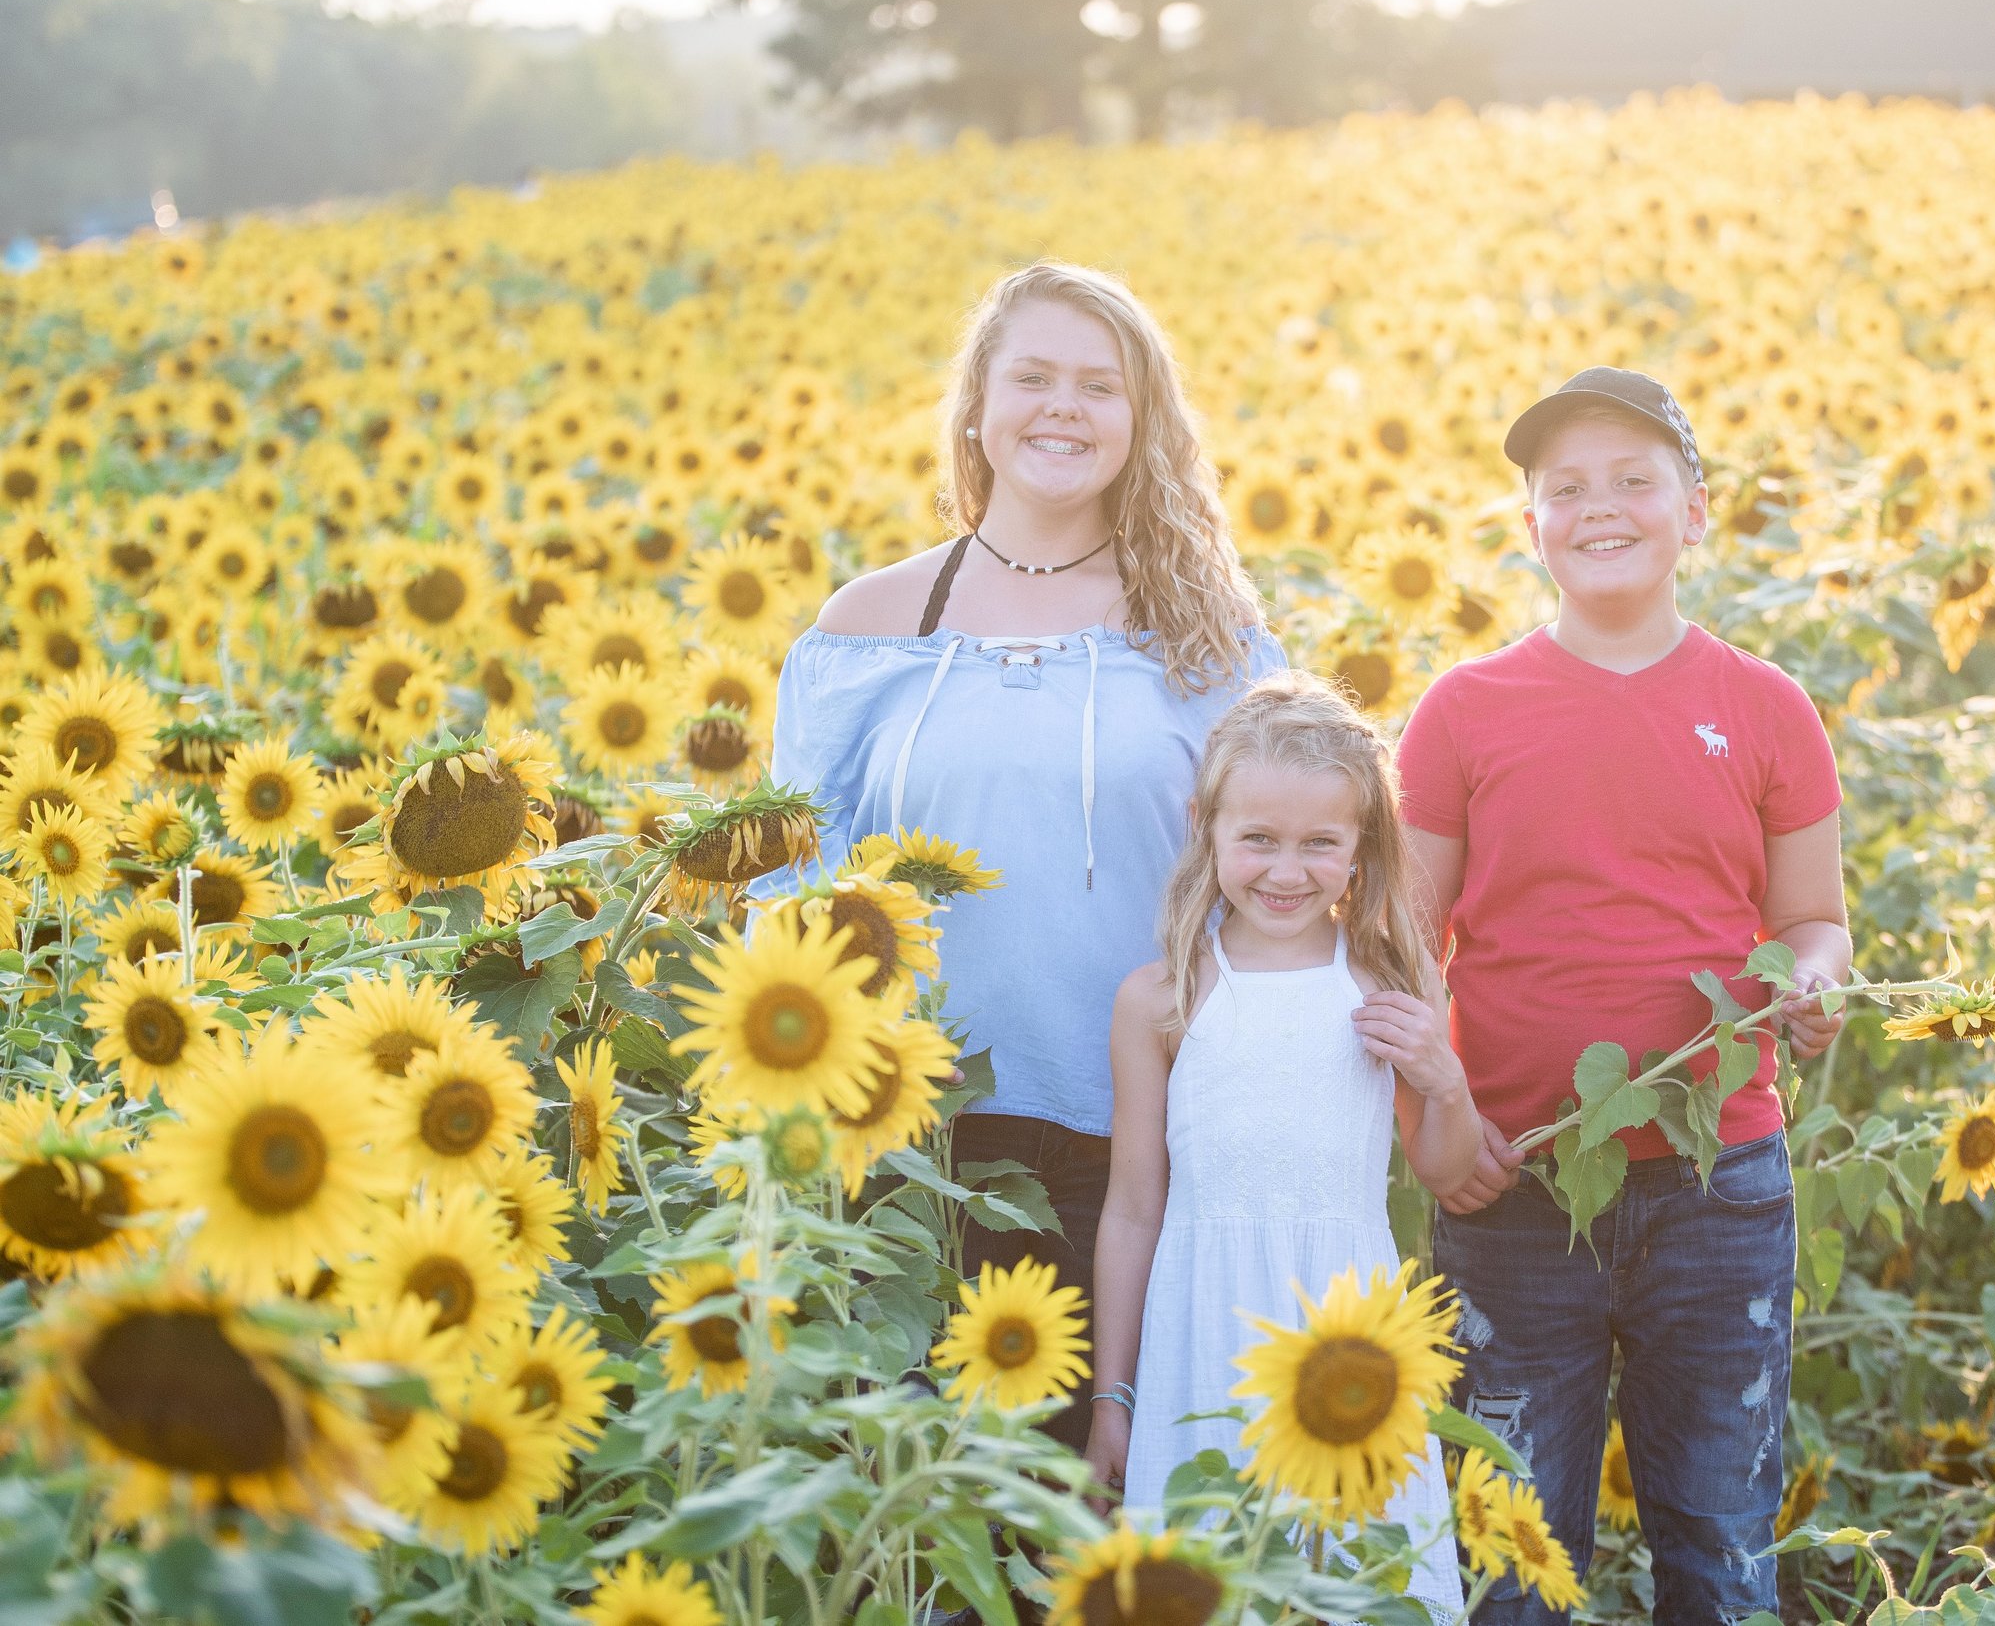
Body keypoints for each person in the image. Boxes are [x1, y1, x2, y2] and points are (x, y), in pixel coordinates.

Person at [763, 260, 1282, 1451]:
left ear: (1140, 420)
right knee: (918, 1505)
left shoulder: (1205, 636)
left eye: (1099, 385)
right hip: (905, 1141)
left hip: (1138, 1141)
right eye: (1033, 376)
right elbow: (792, 884)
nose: (1064, 406)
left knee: (1087, 1508)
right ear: (976, 408)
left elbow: (1270, 885)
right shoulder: (867, 627)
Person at [1395, 368, 1851, 1624]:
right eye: (1566, 490)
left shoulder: (1764, 708)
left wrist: (1812, 982)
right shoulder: (1462, 712)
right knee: (1510, 1555)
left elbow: (1811, 919)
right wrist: (1430, 1126)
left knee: (1718, 1535)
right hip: (1512, 1183)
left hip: (1718, 1190)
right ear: (1530, 527)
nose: (1601, 508)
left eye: (1634, 481)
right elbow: (1397, 945)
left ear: (1694, 511)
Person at [1086, 672, 1472, 1614]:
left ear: (1361, 846)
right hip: (1199, 1340)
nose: (1285, 870)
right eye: (1257, 838)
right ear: (1205, 827)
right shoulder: (1163, 998)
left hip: (1350, 1344)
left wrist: (1444, 1076)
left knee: (1363, 1584)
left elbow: (1450, 1170)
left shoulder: (1386, 980)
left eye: (1319, 844)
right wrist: (1112, 1397)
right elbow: (1135, 1206)